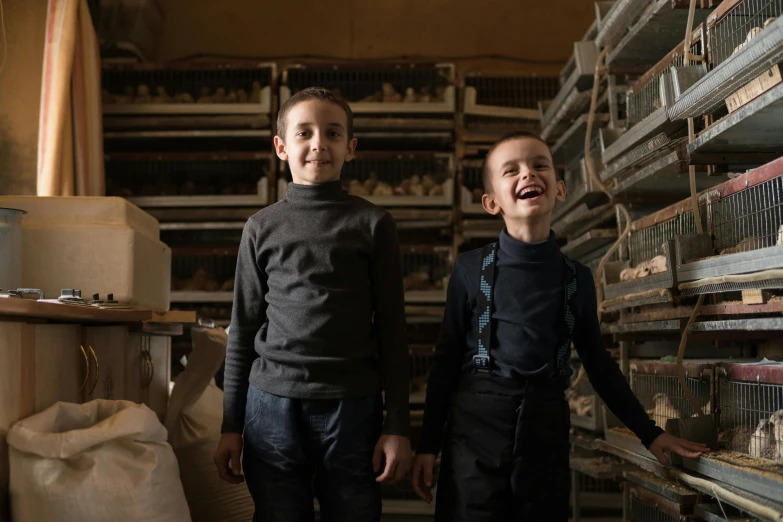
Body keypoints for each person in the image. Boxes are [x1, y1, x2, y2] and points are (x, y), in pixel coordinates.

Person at [411, 131, 708, 521]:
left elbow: (599, 365)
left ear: (560, 189)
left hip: (545, 429)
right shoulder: (470, 270)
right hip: (474, 434)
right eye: (511, 170)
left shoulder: (576, 278)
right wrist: (428, 446)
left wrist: (650, 433)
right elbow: (446, 362)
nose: (528, 174)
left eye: (539, 165)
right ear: (491, 202)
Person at [214, 87, 412, 522]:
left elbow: (393, 329)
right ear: (282, 147)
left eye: (333, 133)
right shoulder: (260, 227)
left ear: (351, 148)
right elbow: (243, 328)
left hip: (353, 404)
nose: (319, 143)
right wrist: (232, 425)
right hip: (271, 405)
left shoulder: (374, 224)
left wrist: (397, 424)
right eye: (304, 132)